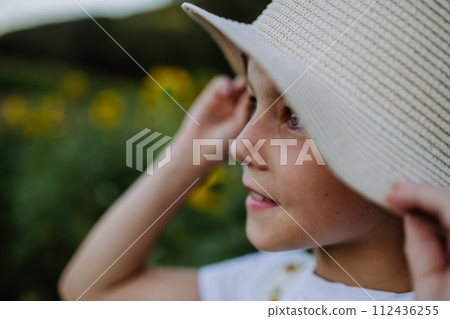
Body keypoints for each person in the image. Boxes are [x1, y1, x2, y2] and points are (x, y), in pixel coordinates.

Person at [58, 0, 449, 300]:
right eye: (251, 99)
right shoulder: (268, 283)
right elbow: (89, 291)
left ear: (402, 161)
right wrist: (186, 156)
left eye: (295, 116)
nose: (241, 144)